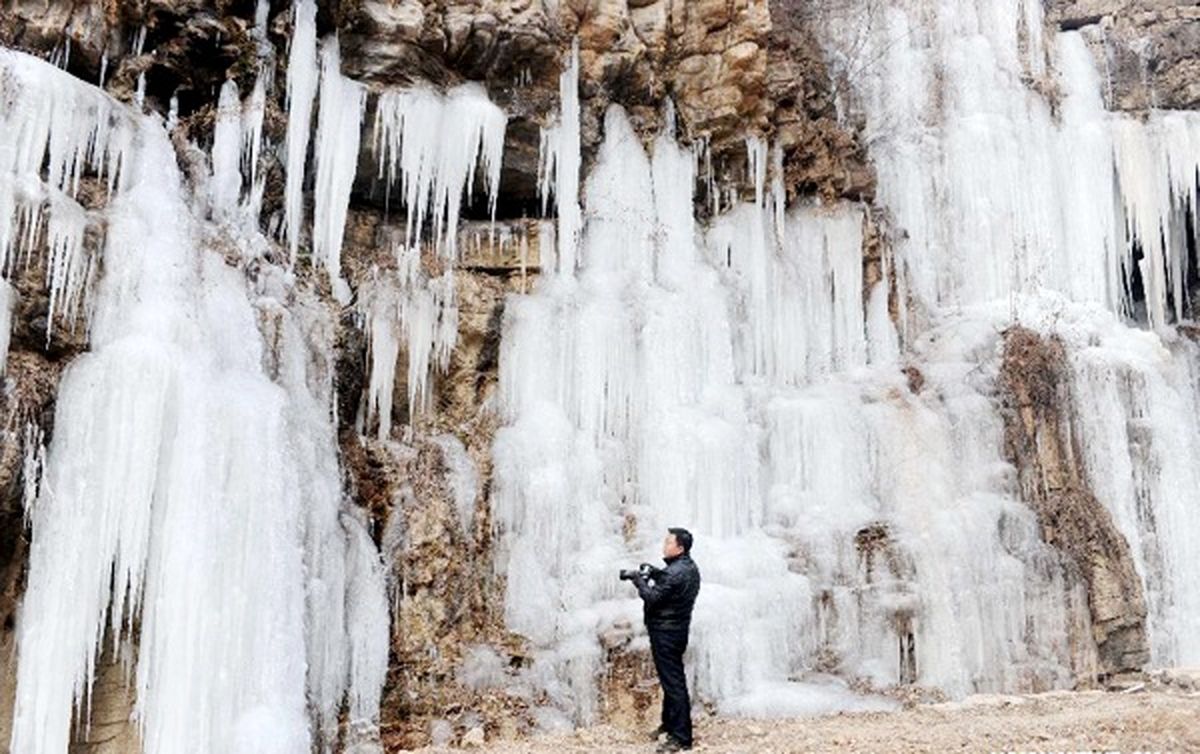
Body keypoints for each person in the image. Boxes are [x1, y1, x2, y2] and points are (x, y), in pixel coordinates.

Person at [629, 527, 701, 753]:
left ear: (679, 548)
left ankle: (681, 737)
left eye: (668, 542)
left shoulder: (675, 573)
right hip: (677, 631)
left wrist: (637, 580)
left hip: (665, 634)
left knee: (674, 684)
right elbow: (672, 585)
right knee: (672, 680)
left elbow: (652, 598)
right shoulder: (688, 567)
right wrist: (656, 573)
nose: (664, 545)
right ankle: (669, 724)